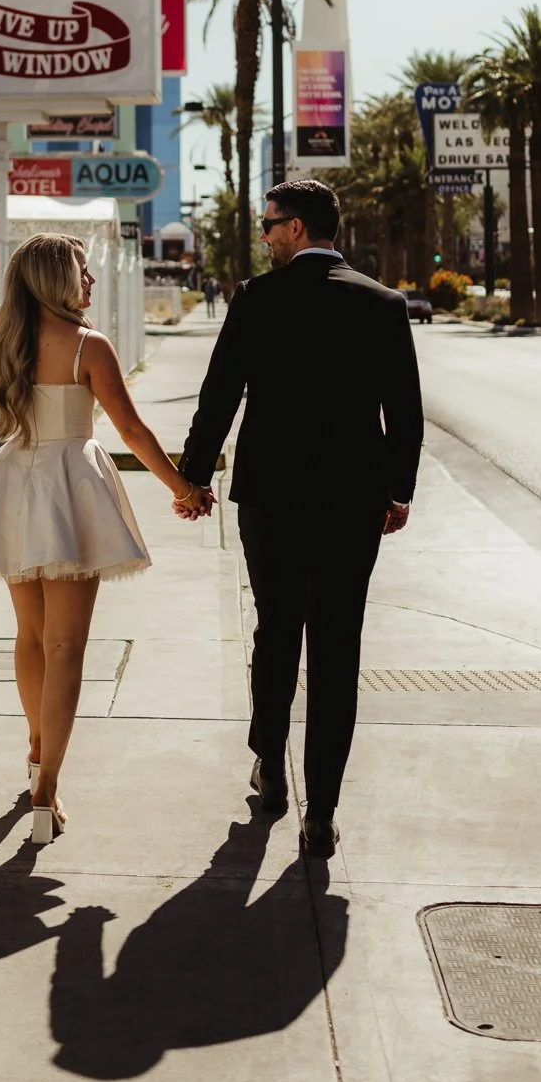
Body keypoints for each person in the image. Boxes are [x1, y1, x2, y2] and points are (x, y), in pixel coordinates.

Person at [0, 235, 211, 844]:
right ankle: (47, 788)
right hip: (74, 485)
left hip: (16, 480)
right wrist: (183, 489)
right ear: (58, 279)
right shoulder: (89, 345)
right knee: (66, 648)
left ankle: (36, 747)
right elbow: (132, 430)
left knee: (30, 636)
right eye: (83, 272)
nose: (90, 282)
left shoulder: (0, 347)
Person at [178, 178, 423, 857]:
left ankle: (268, 769)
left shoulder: (257, 299)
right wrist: (397, 492)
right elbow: (403, 414)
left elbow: (219, 394)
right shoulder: (380, 304)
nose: (263, 234)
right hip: (352, 498)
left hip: (269, 496)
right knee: (337, 646)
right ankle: (321, 809)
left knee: (276, 629)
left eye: (268, 224)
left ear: (297, 228)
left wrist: (192, 475)